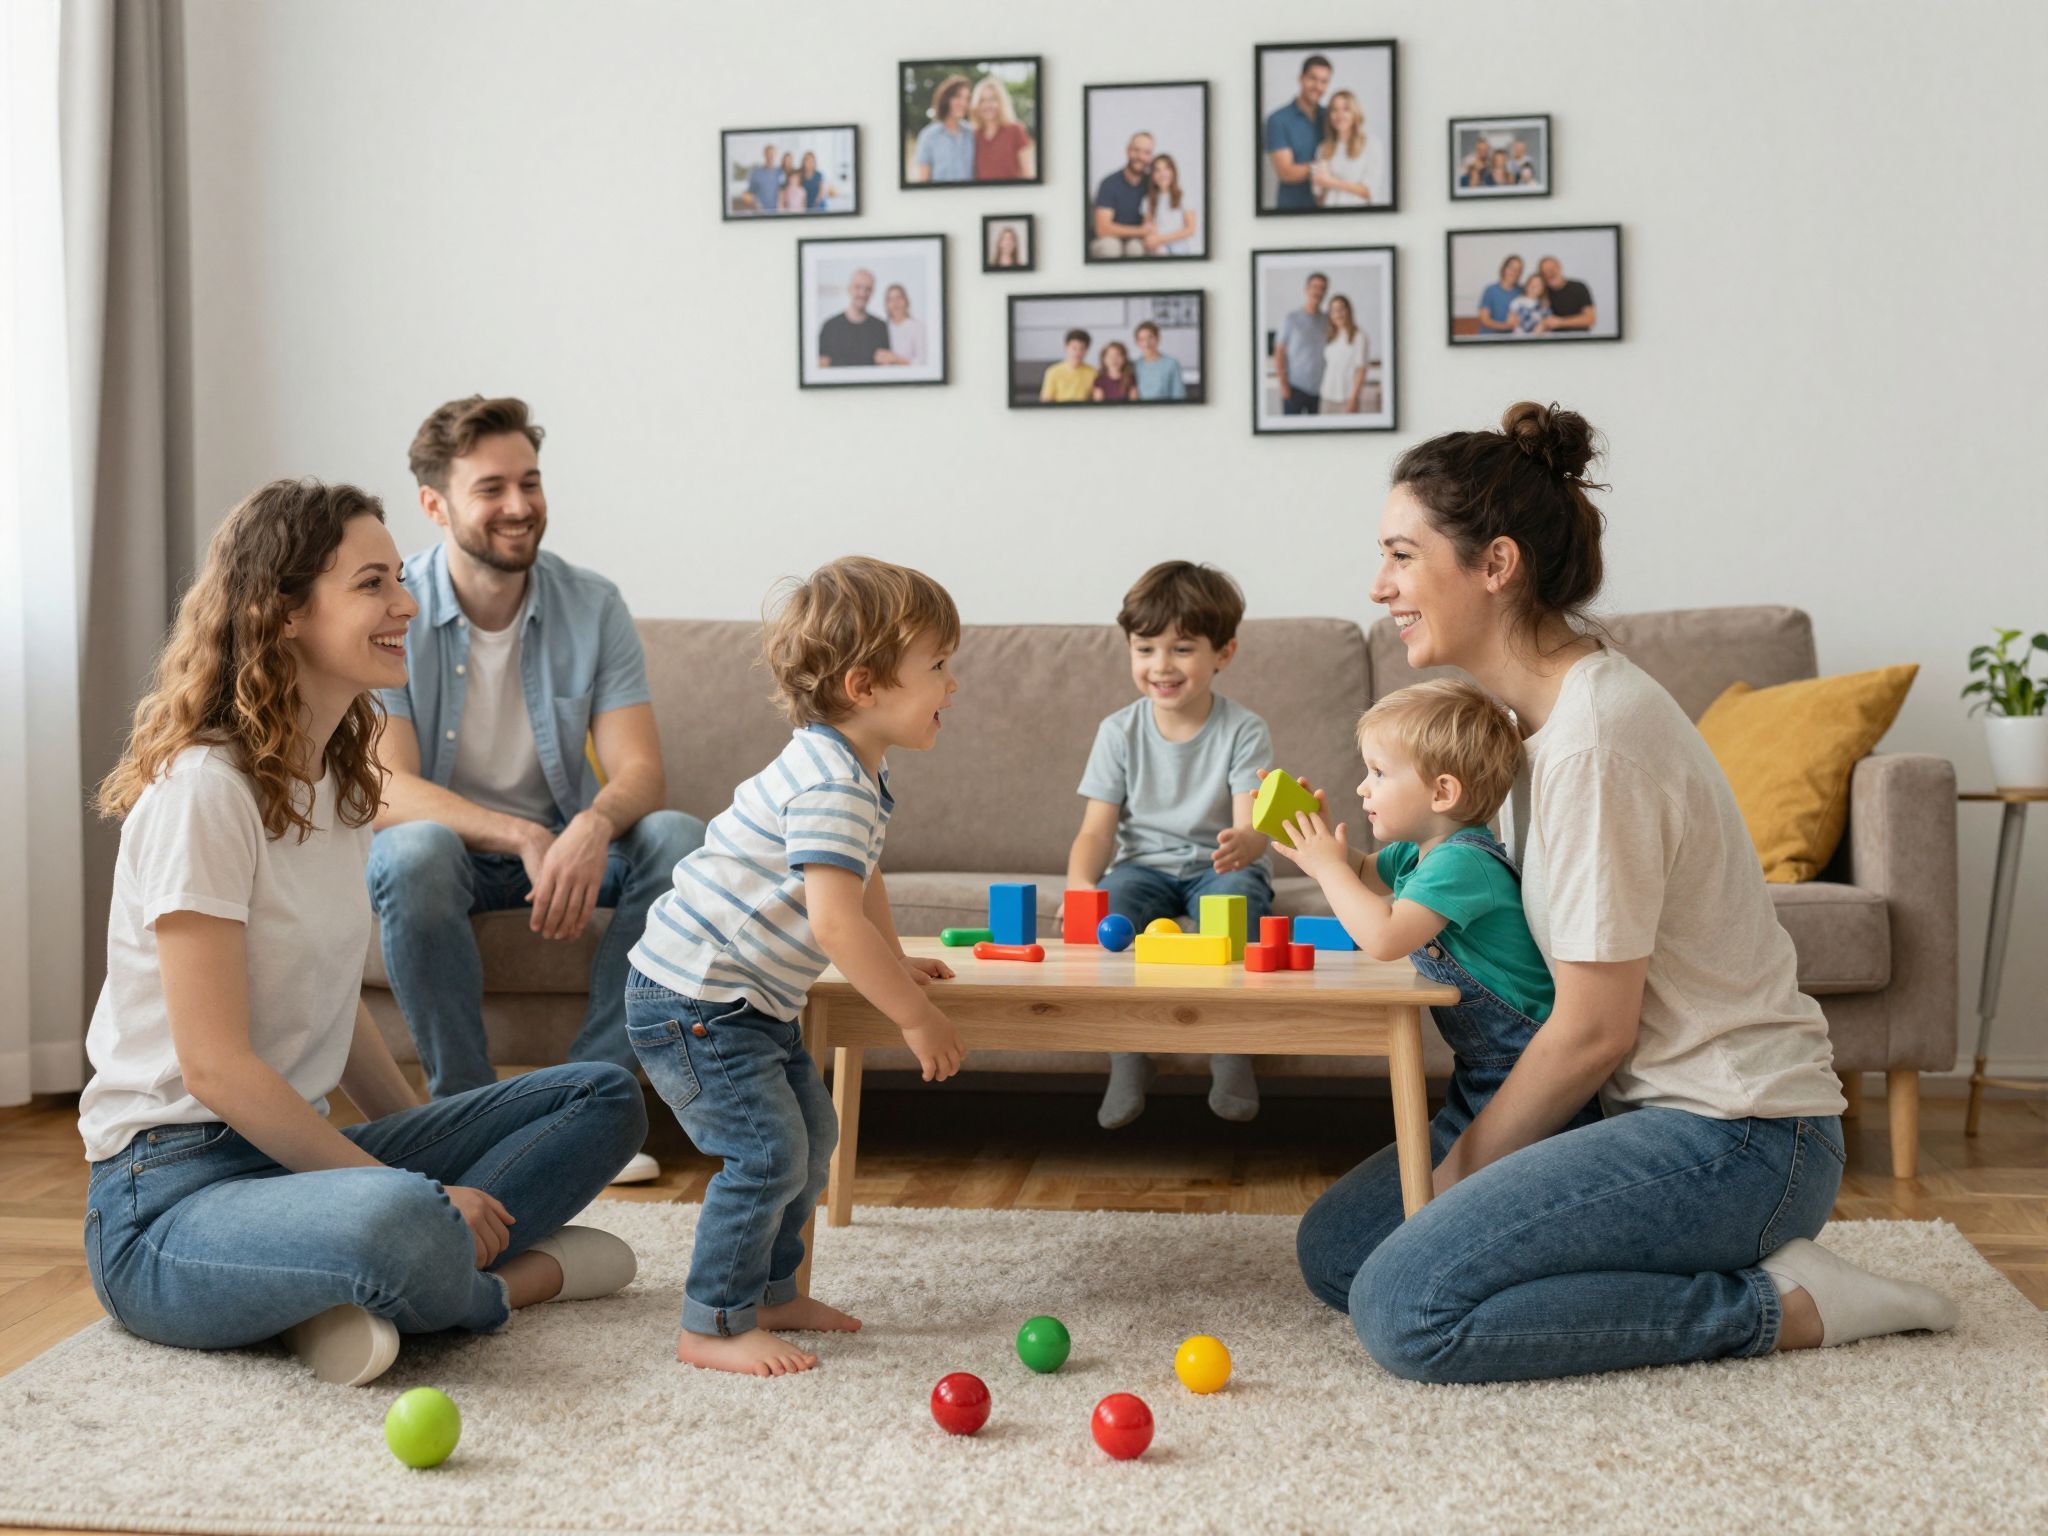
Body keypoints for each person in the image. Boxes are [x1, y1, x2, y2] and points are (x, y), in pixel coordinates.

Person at [1294, 401, 1958, 1384]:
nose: (1377, 585)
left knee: (1405, 1309)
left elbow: (1592, 1032)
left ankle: (1782, 1302)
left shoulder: (1594, 742)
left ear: (1495, 564)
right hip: (1633, 1116)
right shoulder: (1522, 731)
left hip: (1737, 1136)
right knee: (1338, 1252)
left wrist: (1456, 1180)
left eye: (1400, 555)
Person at [80, 478, 646, 1389]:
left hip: (291, 1166)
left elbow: (330, 1006)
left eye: (399, 581)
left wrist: (422, 1148)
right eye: (373, 584)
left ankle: (352, 1291)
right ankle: (511, 1284)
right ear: (284, 612)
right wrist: (419, 1193)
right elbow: (214, 1069)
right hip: (167, 1199)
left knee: (602, 1098)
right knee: (400, 1224)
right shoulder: (204, 793)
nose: (407, 605)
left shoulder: (337, 786)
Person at [627, 557, 966, 1376]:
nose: (952, 685)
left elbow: (861, 875)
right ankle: (711, 1325)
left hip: (742, 1002)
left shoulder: (855, 767)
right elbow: (834, 921)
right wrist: (914, 1017)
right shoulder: (831, 784)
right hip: (696, 1002)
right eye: (937, 667)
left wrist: (896, 962)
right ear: (864, 686)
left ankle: (773, 1294)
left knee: (812, 1141)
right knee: (768, 1155)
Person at [369, 396, 702, 1187]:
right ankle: (465, 1116)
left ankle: (588, 1108)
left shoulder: (593, 604)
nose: (519, 506)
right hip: (456, 855)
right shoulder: (392, 610)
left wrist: (591, 825)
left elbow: (641, 772)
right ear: (434, 505)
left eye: (530, 482)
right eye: (491, 488)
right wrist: (517, 834)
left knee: (681, 839)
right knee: (413, 852)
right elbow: (386, 788)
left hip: (564, 849)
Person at [1270, 678, 1604, 1165]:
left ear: (1443, 792)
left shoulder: (1463, 863)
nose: (1362, 786)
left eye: (1378, 772)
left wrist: (1327, 868)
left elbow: (1384, 936)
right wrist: (1315, 838)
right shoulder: (1417, 853)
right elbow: (1359, 872)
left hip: (1526, 1076)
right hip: (1481, 1072)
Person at [1068, 561, 1273, 1129]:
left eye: (1182, 649)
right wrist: (1081, 885)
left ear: (1223, 653)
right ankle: (1128, 1054)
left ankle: (1231, 1048)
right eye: (1145, 649)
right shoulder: (1119, 731)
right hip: (1142, 868)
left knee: (1235, 905)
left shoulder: (1244, 729)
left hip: (1219, 867)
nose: (1161, 665)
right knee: (1109, 917)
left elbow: (1253, 828)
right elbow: (1095, 831)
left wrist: (1247, 841)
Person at [1265, 54, 1331, 211]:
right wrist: (1324, 168)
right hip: (1292, 211)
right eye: (1312, 78)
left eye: (1324, 81)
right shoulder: (1278, 120)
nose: (1317, 86)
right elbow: (1286, 172)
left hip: (1329, 208)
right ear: (1301, 78)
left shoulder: (1331, 117)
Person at [1312, 89, 1387, 207]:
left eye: (1346, 109)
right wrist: (1318, 186)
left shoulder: (1372, 145)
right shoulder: (1323, 148)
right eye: (1334, 110)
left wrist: (1330, 181)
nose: (1339, 115)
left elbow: (1368, 191)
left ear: (1355, 113)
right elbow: (1320, 197)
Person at [1272, 271, 1329, 414]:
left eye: (1322, 288)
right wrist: (1283, 384)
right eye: (1314, 287)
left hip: (1318, 390)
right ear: (1306, 290)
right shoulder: (1291, 318)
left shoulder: (1327, 320)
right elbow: (1279, 353)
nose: (1318, 292)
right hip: (1294, 388)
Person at [1091, 133, 1155, 258]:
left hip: (1137, 242)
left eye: (1146, 153)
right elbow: (1102, 229)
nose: (1140, 157)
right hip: (1109, 240)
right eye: (1136, 150)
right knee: (1111, 247)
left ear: (1150, 156)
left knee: (1136, 247)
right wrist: (1141, 231)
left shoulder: (1153, 185)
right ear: (1128, 150)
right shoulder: (1109, 183)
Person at [910, 74, 975, 184]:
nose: (963, 103)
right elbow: (923, 180)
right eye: (958, 97)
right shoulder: (928, 136)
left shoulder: (972, 133)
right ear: (946, 99)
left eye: (967, 99)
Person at [817, 269, 889, 367]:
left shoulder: (881, 328)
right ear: (849, 289)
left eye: (868, 289)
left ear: (872, 292)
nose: (862, 293)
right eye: (857, 287)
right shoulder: (830, 327)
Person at [970, 75, 1035, 181]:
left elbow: (1028, 174)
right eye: (982, 100)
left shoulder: (1016, 130)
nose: (987, 105)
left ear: (1001, 102)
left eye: (992, 99)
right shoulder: (974, 134)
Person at [1318, 294, 1369, 413]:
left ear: (1348, 311)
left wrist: (1353, 398)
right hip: (1327, 396)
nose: (1338, 314)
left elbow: (1361, 370)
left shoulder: (1359, 336)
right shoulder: (1331, 336)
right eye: (1333, 311)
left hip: (1347, 398)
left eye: (1341, 309)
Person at [1142, 154, 1197, 255]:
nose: (1162, 174)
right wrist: (1153, 239)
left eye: (1166, 169)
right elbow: (1147, 227)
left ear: (1173, 172)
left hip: (1179, 245)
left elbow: (1190, 229)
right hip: (1159, 246)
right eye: (1157, 170)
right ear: (1152, 176)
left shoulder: (1183, 196)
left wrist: (1161, 238)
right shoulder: (1148, 200)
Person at [1539, 256, 1598, 332]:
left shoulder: (1579, 287)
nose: (1549, 273)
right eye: (1544, 272)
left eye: (1551, 269)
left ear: (1559, 268)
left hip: (1578, 337)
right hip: (1553, 338)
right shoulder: (1541, 291)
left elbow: (1590, 319)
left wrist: (1560, 322)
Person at [1131, 320, 1186, 401]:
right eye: (1142, 339)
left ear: (1158, 338)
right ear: (1137, 343)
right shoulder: (1135, 365)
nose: (1147, 343)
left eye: (1150, 338)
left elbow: (1179, 395)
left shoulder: (1171, 364)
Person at [1039, 328, 1098, 403]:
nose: (1077, 352)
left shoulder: (1093, 373)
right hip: (1059, 409)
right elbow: (1046, 399)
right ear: (1066, 347)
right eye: (1074, 348)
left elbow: (1096, 399)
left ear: (1086, 351)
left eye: (1082, 348)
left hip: (1083, 409)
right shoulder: (1053, 371)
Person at [1475, 255, 1523, 338]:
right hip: (1489, 338)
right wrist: (1507, 326)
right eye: (1512, 268)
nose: (1514, 272)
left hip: (1512, 339)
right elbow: (1485, 320)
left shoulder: (1522, 292)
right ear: (1504, 269)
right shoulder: (1490, 290)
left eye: (1518, 270)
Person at [879, 284, 925, 367]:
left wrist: (896, 360)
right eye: (891, 300)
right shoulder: (882, 328)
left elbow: (922, 361)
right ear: (886, 304)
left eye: (899, 298)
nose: (895, 303)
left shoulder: (918, 327)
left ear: (906, 301)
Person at [742, 143, 782, 213]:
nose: (770, 156)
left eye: (772, 154)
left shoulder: (780, 172)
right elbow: (748, 194)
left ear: (775, 155)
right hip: (761, 213)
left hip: (777, 213)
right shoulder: (756, 173)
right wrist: (753, 203)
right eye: (768, 154)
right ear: (764, 154)